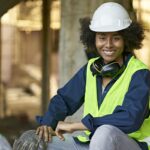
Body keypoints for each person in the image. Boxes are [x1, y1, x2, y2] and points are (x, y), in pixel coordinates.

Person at [14, 2, 150, 150]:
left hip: (130, 145)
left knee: (104, 132)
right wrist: (47, 124)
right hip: (93, 143)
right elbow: (64, 100)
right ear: (93, 39)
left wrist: (77, 126)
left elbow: (130, 118)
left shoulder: (139, 74)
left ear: (126, 40)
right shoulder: (91, 69)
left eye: (116, 38)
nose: (108, 44)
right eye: (102, 38)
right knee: (37, 143)